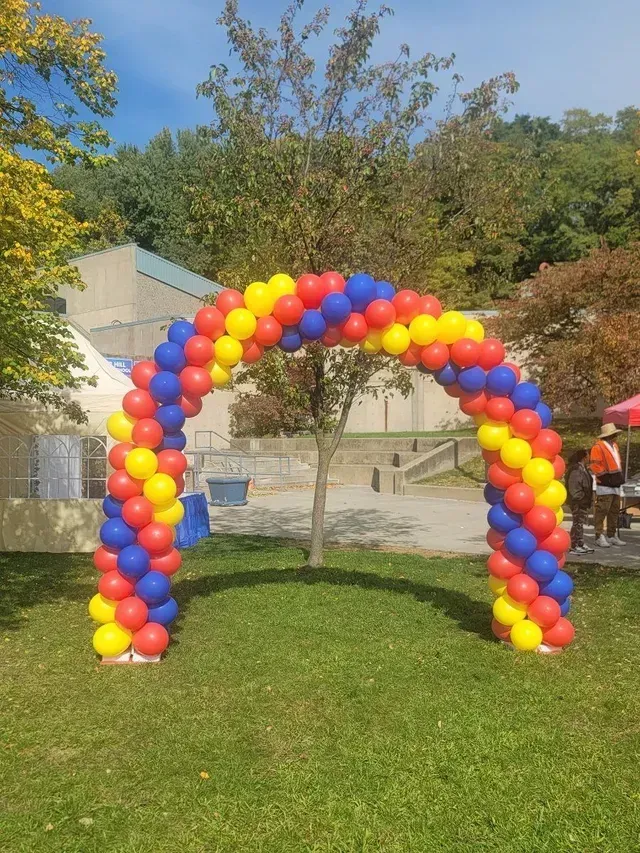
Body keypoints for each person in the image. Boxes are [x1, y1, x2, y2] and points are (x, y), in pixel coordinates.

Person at [590, 423, 626, 547]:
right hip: (605, 484)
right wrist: (606, 477)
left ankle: (611, 535)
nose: (616, 436)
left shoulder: (614, 446)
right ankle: (599, 535)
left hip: (615, 482)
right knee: (602, 511)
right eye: (614, 434)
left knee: (614, 511)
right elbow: (595, 465)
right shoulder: (598, 447)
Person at [566, 449, 595, 555]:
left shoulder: (583, 468)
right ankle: (574, 545)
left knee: (580, 523)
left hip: (583, 501)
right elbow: (574, 487)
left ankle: (580, 543)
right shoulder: (576, 469)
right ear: (584, 457)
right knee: (577, 522)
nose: (589, 458)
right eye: (588, 456)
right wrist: (580, 498)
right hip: (578, 502)